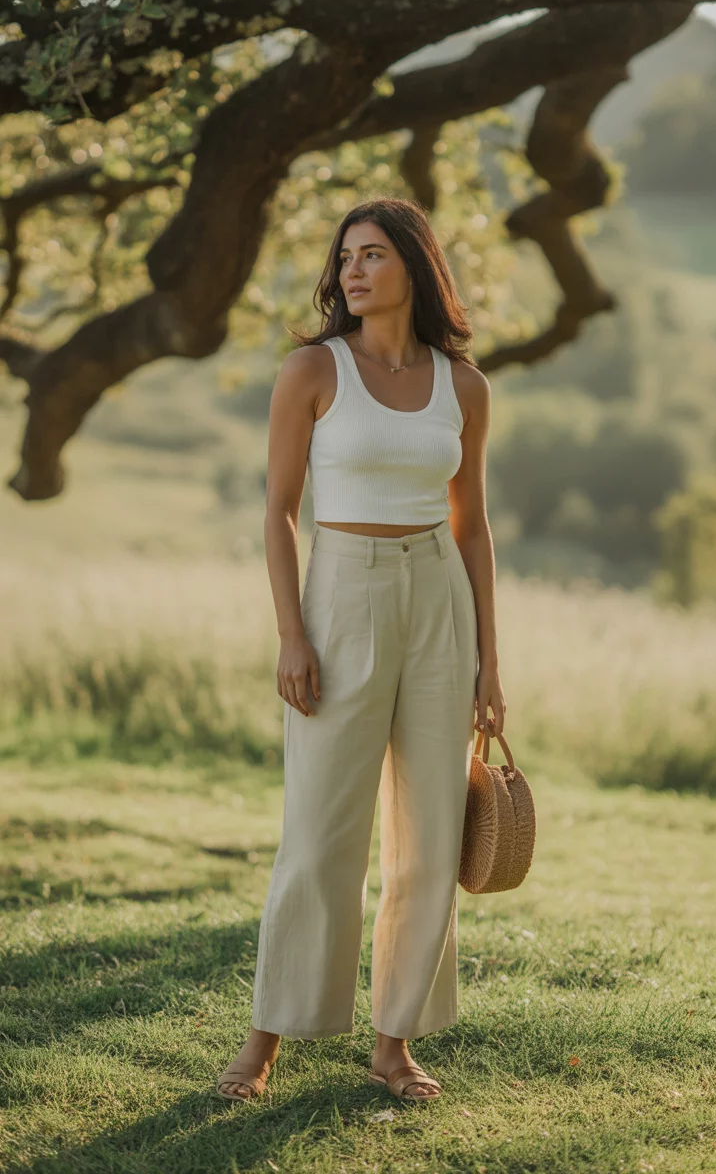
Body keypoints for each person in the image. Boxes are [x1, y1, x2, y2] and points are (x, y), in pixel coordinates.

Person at [216, 197, 506, 1104]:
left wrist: (491, 664)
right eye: (345, 256)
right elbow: (276, 510)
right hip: (341, 591)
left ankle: (395, 1046)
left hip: (438, 598)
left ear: (415, 268)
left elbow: (474, 528)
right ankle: (264, 1042)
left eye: (373, 254)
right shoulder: (311, 370)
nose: (353, 271)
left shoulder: (464, 386)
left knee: (430, 838)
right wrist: (290, 632)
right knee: (318, 833)